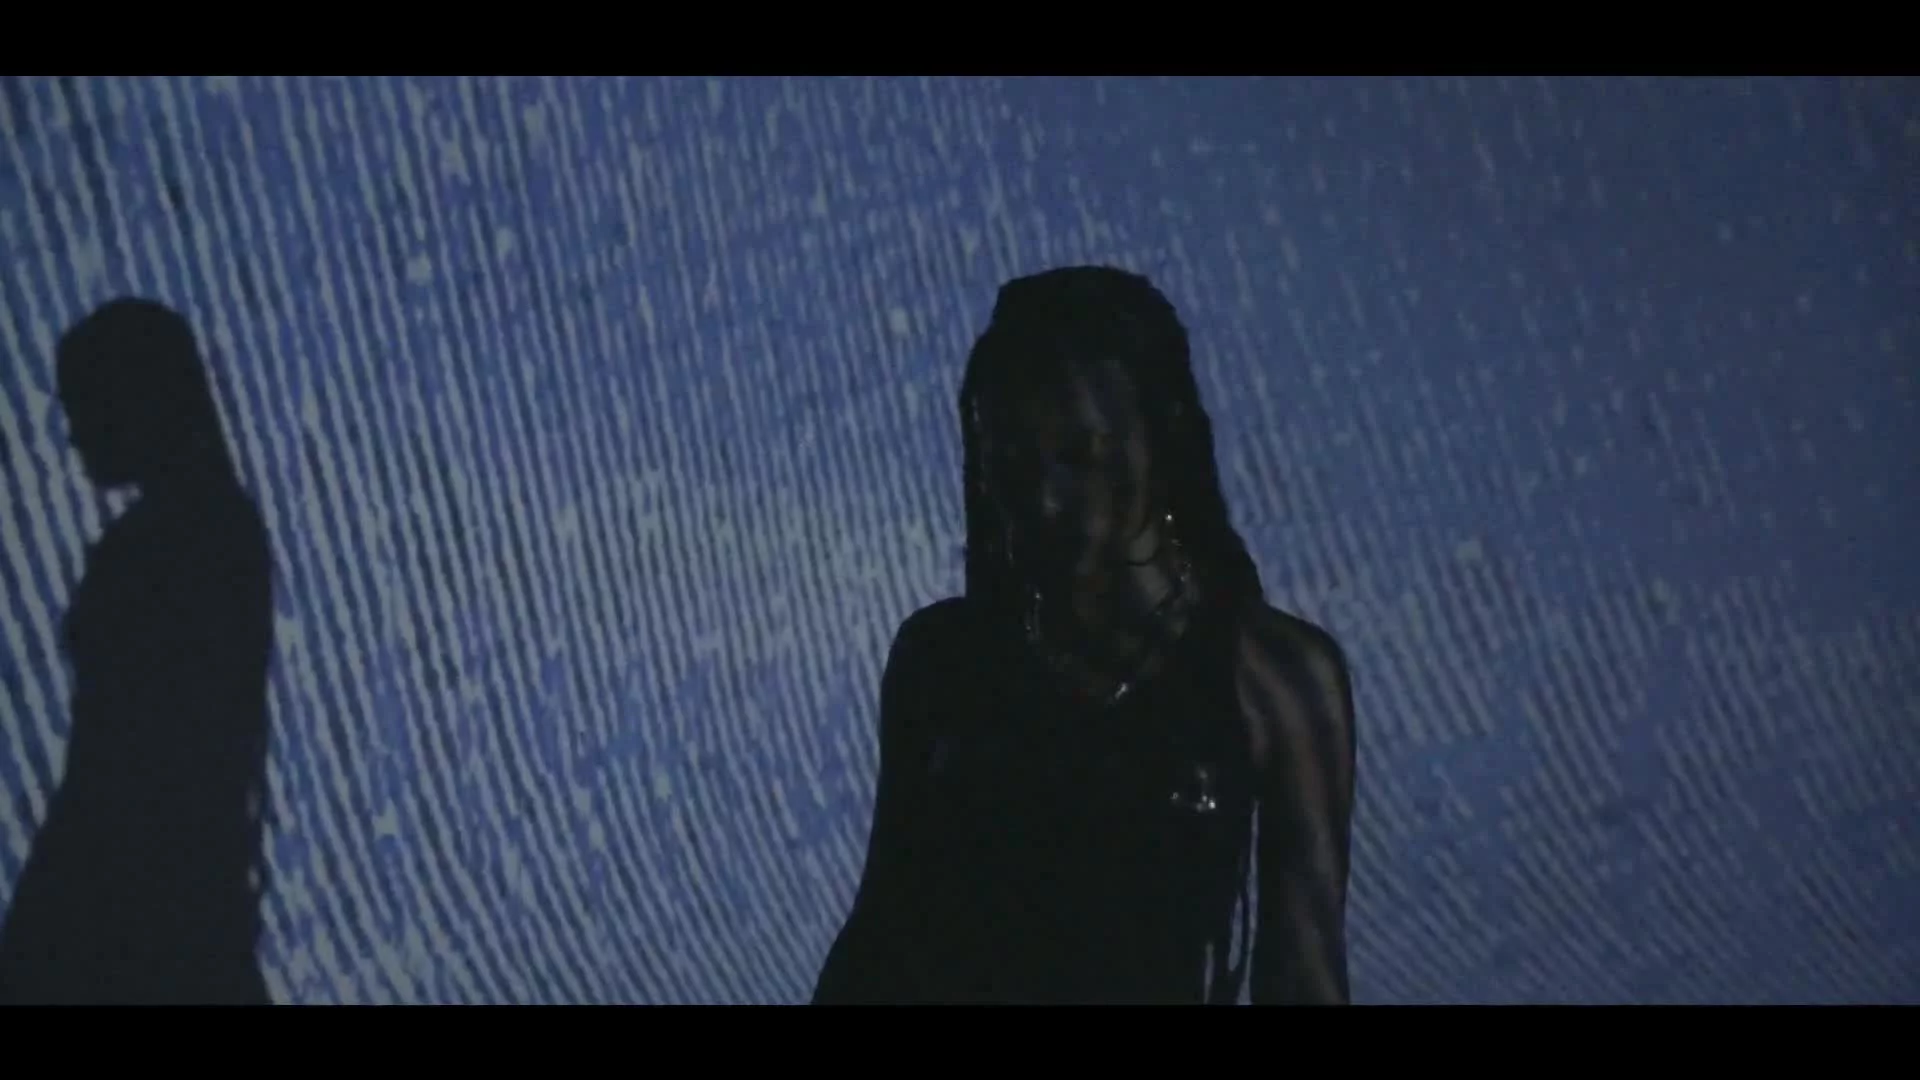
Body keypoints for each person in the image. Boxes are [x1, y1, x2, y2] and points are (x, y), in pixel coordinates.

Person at [812, 266, 1358, 1004]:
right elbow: (881, 936)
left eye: (1079, 457)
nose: (1042, 500)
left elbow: (1303, 972)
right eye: (1010, 460)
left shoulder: (1274, 677)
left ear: (1162, 436)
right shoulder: (943, 661)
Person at [0, 298, 275, 1005]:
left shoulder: (154, 550)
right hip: (186, 893)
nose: (74, 434)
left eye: (85, 405)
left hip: (120, 900)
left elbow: (112, 760)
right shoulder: (225, 530)